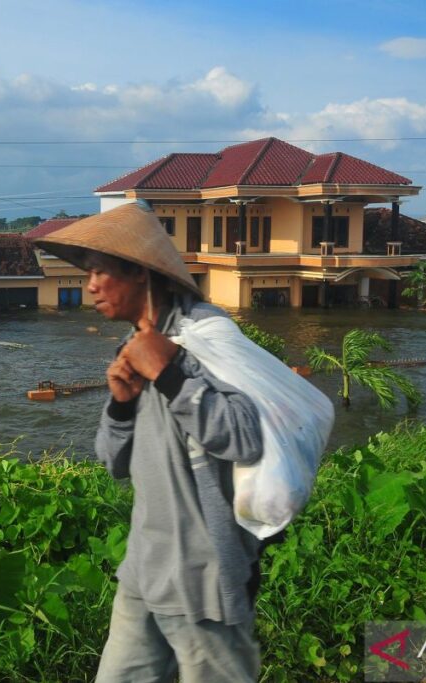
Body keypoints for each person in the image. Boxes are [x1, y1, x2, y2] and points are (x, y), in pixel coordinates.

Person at [34, 202, 266, 682]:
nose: (90, 285)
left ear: (139, 272)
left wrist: (171, 373)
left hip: (203, 577)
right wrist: (120, 404)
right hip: (143, 570)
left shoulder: (203, 337)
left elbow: (246, 435)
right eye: (88, 273)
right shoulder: (132, 346)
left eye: (100, 272)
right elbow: (113, 463)